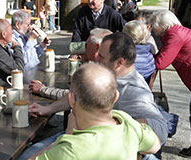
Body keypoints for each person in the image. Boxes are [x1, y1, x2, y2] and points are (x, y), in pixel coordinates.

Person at [28, 32, 167, 160]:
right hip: (82, 137)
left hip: (84, 144)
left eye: (101, 56)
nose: (95, 58)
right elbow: (79, 93)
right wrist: (48, 109)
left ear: (119, 62)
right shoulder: (108, 77)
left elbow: (161, 130)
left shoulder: (133, 91)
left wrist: (118, 135)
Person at [149, 10, 191, 158]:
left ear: (161, 25)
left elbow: (161, 62)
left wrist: (145, 57)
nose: (152, 29)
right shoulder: (178, 31)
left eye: (153, 26)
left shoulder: (174, 35)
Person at [29, 28, 112, 100]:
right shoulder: (106, 63)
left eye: (87, 44)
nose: (84, 46)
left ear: (97, 47)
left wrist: (42, 89)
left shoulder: (102, 72)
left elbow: (74, 96)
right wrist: (85, 61)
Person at [0, 19, 24, 87]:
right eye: (11, 30)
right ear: (3, 34)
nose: (12, 33)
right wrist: (18, 48)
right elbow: (17, 71)